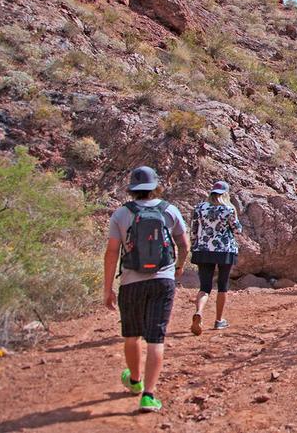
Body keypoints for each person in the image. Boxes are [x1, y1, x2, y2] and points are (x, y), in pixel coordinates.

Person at [103, 166, 190, 413]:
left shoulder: (121, 214)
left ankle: (134, 381)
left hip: (131, 282)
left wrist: (108, 288)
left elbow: (112, 252)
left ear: (132, 188)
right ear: (156, 186)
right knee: (156, 338)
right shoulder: (169, 210)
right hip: (163, 280)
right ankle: (149, 396)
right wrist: (179, 266)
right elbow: (184, 244)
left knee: (132, 335)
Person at [189, 181, 242, 335]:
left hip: (203, 250)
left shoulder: (199, 208)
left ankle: (199, 311)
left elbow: (193, 230)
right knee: (222, 285)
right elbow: (237, 230)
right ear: (225, 193)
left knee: (204, 287)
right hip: (225, 250)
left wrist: (195, 246)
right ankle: (219, 320)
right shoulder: (229, 209)